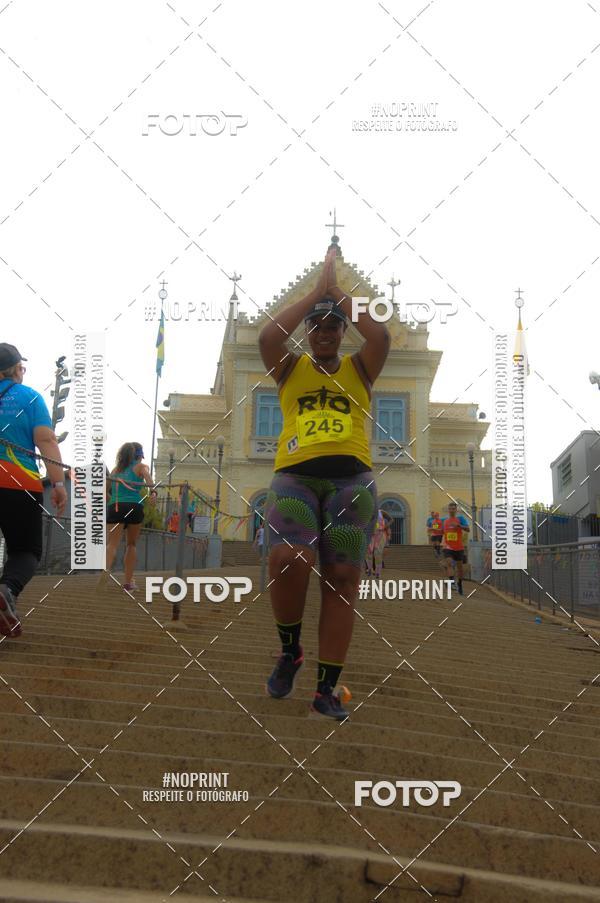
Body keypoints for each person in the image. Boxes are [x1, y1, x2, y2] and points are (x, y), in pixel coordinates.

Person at [259, 247, 391, 720]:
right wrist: (315, 295)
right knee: (288, 557)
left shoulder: (360, 368)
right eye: (316, 326)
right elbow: (269, 336)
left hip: (351, 481)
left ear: (343, 331)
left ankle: (325, 688)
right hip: (295, 476)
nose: (325, 333)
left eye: (333, 325)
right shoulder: (290, 368)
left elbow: (380, 334)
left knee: (342, 579)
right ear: (308, 332)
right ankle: (290, 650)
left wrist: (338, 293)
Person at [0, 344, 67, 636]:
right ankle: (7, 590)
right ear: (16, 369)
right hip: (17, 483)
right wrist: (59, 483)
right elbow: (47, 440)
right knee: (25, 550)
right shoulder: (29, 398)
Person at [99, 442, 153, 593]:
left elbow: (104, 491)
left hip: (115, 506)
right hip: (134, 506)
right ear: (139, 456)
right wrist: (153, 493)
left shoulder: (116, 470)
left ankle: (105, 571)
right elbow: (149, 481)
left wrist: (113, 499)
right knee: (131, 545)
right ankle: (128, 583)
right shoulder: (141, 467)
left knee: (112, 544)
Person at [440, 502, 470, 595]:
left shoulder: (461, 519)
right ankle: (451, 581)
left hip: (459, 547)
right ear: (448, 510)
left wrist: (460, 526)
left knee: (460, 568)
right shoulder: (444, 520)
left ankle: (459, 584)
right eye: (450, 509)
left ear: (456, 510)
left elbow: (468, 529)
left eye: (453, 509)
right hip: (448, 547)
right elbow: (441, 532)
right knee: (449, 563)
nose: (452, 510)